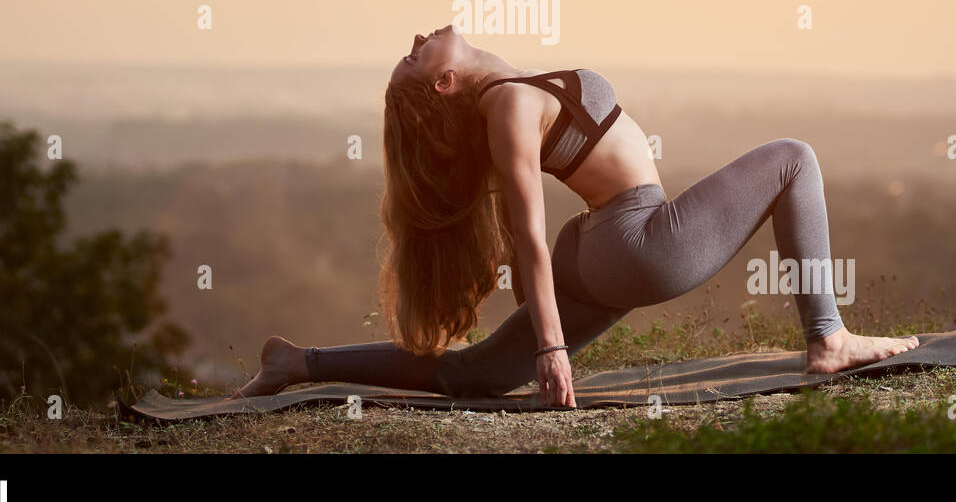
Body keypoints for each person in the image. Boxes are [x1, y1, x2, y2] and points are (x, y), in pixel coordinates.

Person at [231, 23, 918, 407]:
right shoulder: (506, 108)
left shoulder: (506, 95)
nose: (418, 34)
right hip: (638, 241)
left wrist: (543, 341)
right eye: (415, 55)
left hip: (596, 248)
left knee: (474, 374)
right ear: (443, 81)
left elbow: (534, 234)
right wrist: (552, 348)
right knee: (793, 158)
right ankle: (828, 336)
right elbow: (527, 233)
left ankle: (300, 360)